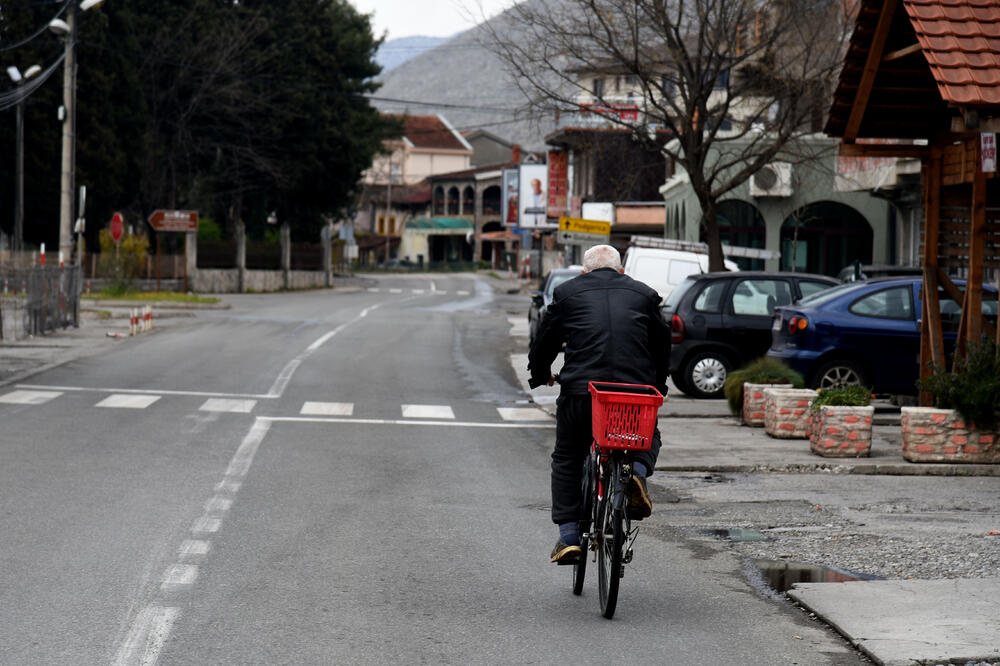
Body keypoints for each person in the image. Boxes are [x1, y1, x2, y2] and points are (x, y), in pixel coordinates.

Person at [528, 244, 671, 565]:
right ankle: (635, 473)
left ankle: (568, 537)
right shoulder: (644, 295)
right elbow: (662, 346)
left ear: (583, 272)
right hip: (633, 395)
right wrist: (658, 386)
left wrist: (540, 375)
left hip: (583, 394)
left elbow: (544, 342)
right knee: (647, 436)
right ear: (621, 271)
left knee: (568, 456)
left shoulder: (567, 293)